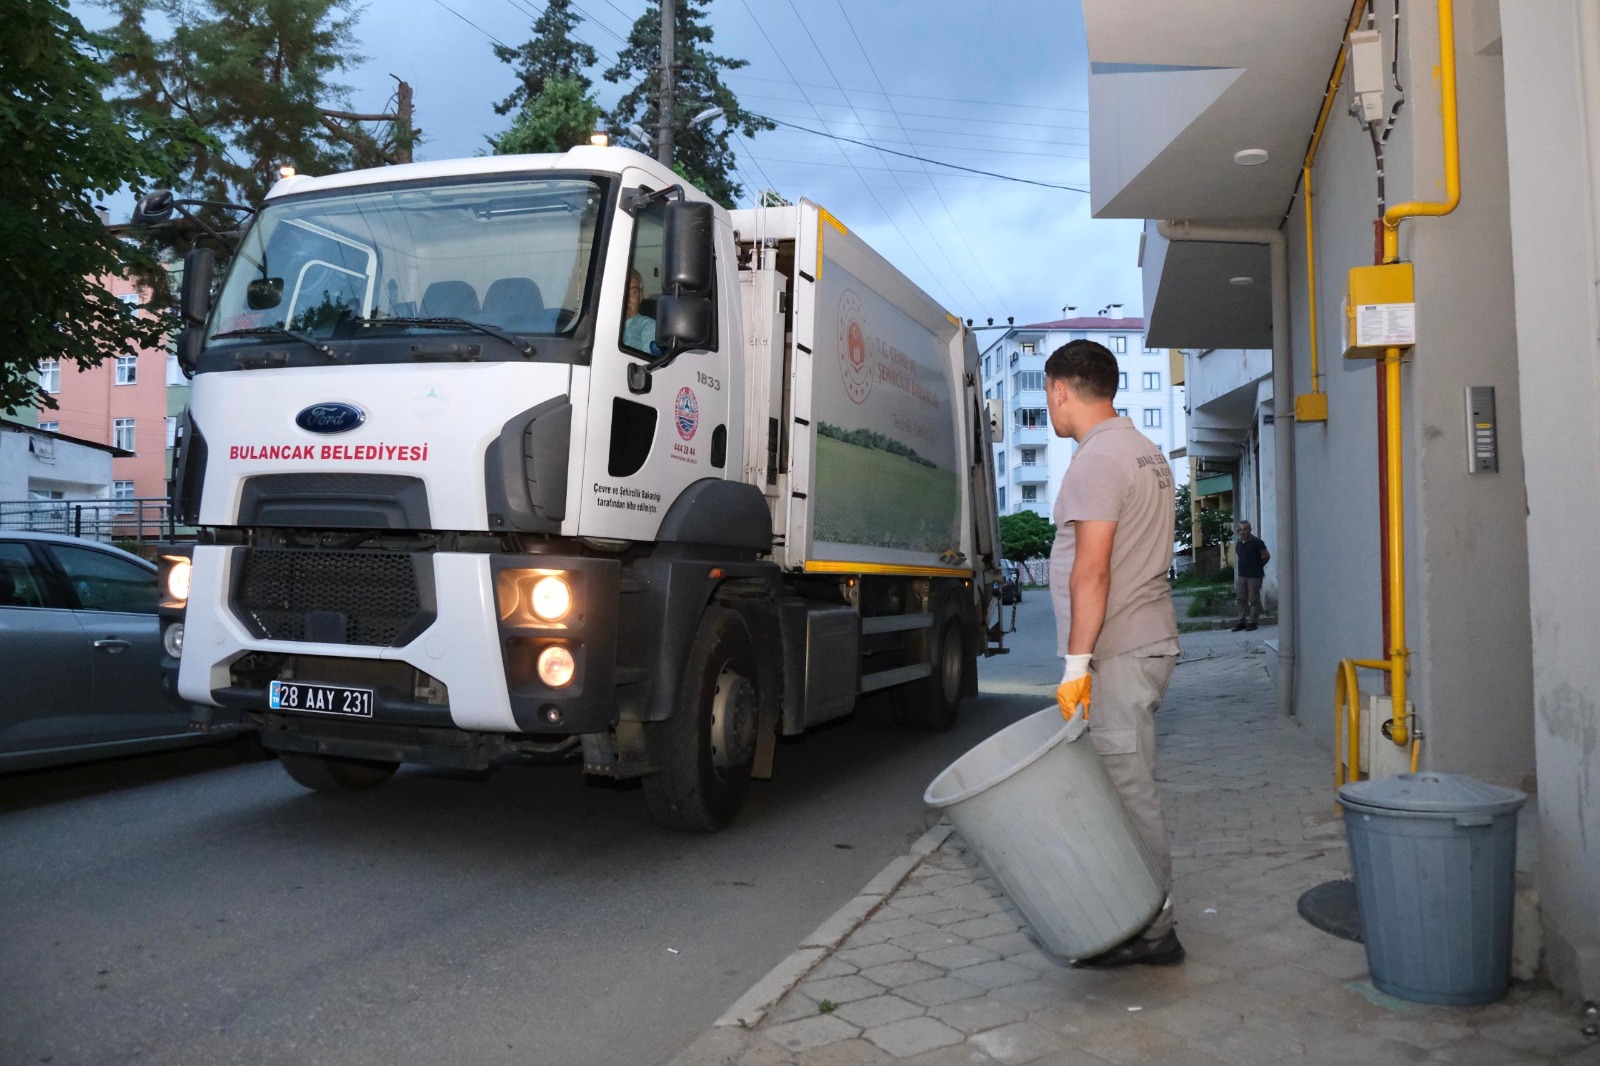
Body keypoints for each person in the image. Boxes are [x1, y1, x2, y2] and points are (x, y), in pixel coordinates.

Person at [1046, 339, 1184, 968]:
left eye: (1051, 397)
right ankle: (1132, 918)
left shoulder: (1097, 459)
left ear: (1060, 390)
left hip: (1120, 651)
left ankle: (1155, 933)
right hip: (1142, 640)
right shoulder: (1144, 449)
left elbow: (1092, 573)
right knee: (1124, 788)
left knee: (1129, 793)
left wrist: (1076, 668)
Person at [1232, 520, 1271, 632]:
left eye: (1245, 529)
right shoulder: (1239, 543)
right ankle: (1241, 621)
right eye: (1240, 529)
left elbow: (1266, 556)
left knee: (1253, 598)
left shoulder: (1257, 542)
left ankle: (1253, 621)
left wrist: (1258, 566)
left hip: (1254, 575)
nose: (1243, 532)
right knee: (1240, 598)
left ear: (1250, 530)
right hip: (1242, 575)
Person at [622, 269, 657, 352]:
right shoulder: (602, 322)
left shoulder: (649, 327)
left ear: (641, 297)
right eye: (622, 291)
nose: (626, 298)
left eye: (633, 292)